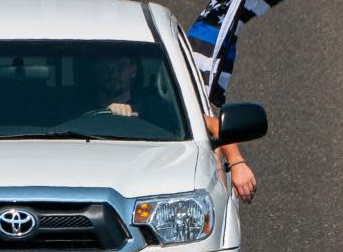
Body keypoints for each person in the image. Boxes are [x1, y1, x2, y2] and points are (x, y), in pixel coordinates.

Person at [88, 54, 257, 204]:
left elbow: (214, 126)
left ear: (133, 71)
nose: (113, 73)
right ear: (95, 71)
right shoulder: (73, 107)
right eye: (106, 66)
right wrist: (105, 115)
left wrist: (237, 163)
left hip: (150, 193)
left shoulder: (156, 108)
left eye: (121, 67)